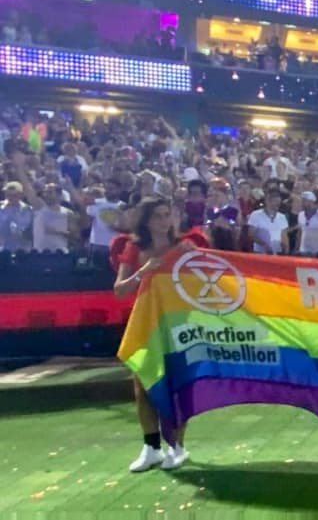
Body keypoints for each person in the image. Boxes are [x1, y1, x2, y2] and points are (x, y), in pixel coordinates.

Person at [111, 197, 205, 472]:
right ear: (147, 220)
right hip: (145, 323)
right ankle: (151, 447)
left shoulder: (185, 245)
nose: (165, 221)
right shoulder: (134, 248)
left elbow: (203, 284)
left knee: (178, 383)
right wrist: (143, 271)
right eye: (158, 216)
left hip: (179, 323)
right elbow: (119, 290)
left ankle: (177, 447)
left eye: (167, 215)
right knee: (142, 385)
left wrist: (192, 258)